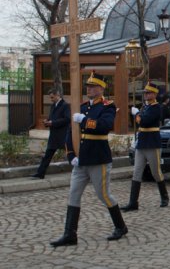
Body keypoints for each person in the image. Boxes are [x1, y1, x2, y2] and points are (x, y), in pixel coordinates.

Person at [51, 73, 126, 247]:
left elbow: (104, 127)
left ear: (101, 89)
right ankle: (70, 234)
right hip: (81, 160)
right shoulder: (83, 107)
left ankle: (120, 226)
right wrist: (71, 155)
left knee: (104, 195)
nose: (89, 89)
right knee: (73, 194)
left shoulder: (108, 106)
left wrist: (84, 120)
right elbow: (71, 133)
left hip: (98, 159)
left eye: (93, 86)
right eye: (88, 86)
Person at [121, 82, 168, 212]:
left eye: (148, 93)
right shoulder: (144, 107)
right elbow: (141, 123)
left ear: (154, 94)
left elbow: (145, 121)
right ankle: (133, 202)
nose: (146, 95)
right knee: (136, 172)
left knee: (156, 172)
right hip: (142, 143)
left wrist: (136, 115)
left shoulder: (156, 107)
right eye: (145, 93)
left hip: (152, 143)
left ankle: (164, 196)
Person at [32, 88, 70, 179]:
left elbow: (67, 119)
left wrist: (53, 123)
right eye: (50, 98)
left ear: (58, 95)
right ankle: (40, 173)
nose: (51, 99)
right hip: (54, 135)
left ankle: (83, 172)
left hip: (62, 135)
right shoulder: (53, 106)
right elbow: (51, 118)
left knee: (71, 154)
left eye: (52, 97)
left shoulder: (65, 105)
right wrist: (47, 121)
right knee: (47, 155)